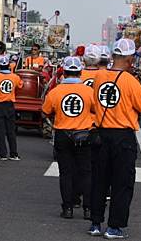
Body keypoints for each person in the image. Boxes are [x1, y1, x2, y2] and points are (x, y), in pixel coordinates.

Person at [88, 38, 141, 239]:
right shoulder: (130, 81)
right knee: (122, 183)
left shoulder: (99, 76)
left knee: (99, 180)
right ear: (129, 58)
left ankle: (95, 223)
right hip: (122, 136)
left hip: (101, 133)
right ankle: (114, 227)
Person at [42, 56, 95, 220]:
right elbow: (97, 110)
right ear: (80, 72)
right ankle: (88, 209)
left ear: (64, 73)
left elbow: (45, 111)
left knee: (66, 173)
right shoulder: (89, 91)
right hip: (84, 134)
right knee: (86, 172)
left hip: (62, 134)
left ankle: (68, 208)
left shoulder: (55, 91)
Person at [0, 55, 23, 160]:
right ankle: (14, 153)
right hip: (10, 105)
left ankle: (2, 154)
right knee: (11, 131)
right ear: (8, 65)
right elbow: (21, 85)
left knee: (0, 131)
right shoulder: (15, 77)